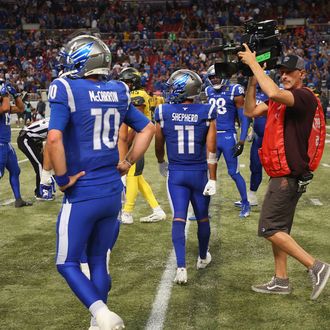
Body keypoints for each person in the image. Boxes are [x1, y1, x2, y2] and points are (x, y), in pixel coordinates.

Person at [46, 34, 155, 330]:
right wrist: (128, 162)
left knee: (66, 262)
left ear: (82, 59)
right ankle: (97, 322)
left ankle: (103, 315)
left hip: (83, 190)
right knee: (98, 258)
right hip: (112, 189)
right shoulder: (118, 89)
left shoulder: (65, 87)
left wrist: (61, 178)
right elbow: (148, 128)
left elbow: (54, 138)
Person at [238, 47, 329, 299]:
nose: (285, 75)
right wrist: (252, 80)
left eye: (290, 72)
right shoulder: (282, 98)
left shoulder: (303, 96)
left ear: (302, 73)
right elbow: (250, 111)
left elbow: (275, 92)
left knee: (269, 228)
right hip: (283, 175)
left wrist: (255, 63)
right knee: (280, 231)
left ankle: (317, 267)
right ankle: (281, 280)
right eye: (282, 72)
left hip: (287, 177)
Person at [155, 69, 217, 284]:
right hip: (199, 172)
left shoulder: (163, 111)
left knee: (179, 217)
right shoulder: (206, 110)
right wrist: (213, 178)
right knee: (203, 218)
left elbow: (159, 143)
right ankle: (202, 257)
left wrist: (161, 162)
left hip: (177, 174)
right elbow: (211, 149)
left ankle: (181, 268)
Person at [118, 67, 166, 224]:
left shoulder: (137, 95)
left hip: (137, 137)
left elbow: (136, 122)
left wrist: (128, 142)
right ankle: (157, 210)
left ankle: (127, 212)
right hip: (137, 137)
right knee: (138, 177)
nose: (124, 84)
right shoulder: (140, 94)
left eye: (127, 81)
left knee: (132, 174)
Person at [205, 65, 251, 218]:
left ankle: (245, 203)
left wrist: (242, 140)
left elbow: (244, 116)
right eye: (211, 77)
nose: (214, 79)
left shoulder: (234, 90)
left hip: (227, 136)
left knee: (234, 171)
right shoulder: (208, 91)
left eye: (216, 76)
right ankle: (203, 207)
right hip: (211, 136)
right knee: (207, 172)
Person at [0, 81, 32, 208]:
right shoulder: (4, 105)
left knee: (15, 171)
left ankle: (18, 199)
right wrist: (6, 94)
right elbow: (6, 108)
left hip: (6, 145)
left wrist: (16, 94)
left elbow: (21, 108)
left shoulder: (4, 104)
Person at [17, 117, 55, 200]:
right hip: (26, 139)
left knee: (43, 163)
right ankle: (40, 192)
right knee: (39, 165)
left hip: (34, 140)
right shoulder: (55, 125)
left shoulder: (53, 119)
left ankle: (41, 190)